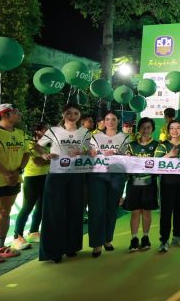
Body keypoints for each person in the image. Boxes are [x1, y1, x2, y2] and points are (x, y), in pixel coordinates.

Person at [37, 103, 91, 263]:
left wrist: (82, 152)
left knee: (75, 210)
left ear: (79, 115)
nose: (72, 116)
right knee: (54, 212)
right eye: (68, 113)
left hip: (77, 175)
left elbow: (90, 151)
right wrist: (45, 155)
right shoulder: (53, 130)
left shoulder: (85, 132)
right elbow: (38, 147)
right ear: (63, 114)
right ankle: (54, 251)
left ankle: (71, 247)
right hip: (56, 175)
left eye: (75, 113)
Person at [0, 104, 30, 264]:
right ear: (4, 115)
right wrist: (6, 174)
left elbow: (26, 153)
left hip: (13, 179)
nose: (19, 114)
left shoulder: (21, 134)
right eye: (15, 112)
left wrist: (18, 171)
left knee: (5, 212)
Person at [88, 110, 131, 257]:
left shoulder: (125, 137)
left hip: (117, 176)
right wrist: (93, 153)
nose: (110, 122)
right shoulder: (95, 137)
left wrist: (118, 155)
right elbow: (90, 154)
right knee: (97, 209)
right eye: (107, 119)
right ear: (103, 122)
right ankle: (96, 243)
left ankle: (107, 240)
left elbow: (128, 157)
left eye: (113, 119)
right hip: (98, 176)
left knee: (111, 208)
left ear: (118, 121)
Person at [154, 120, 180, 252]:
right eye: (172, 128)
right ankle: (164, 239)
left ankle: (177, 235)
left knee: (179, 209)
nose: (175, 131)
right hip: (167, 181)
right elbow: (155, 163)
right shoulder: (163, 145)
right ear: (168, 130)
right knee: (166, 211)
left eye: (178, 128)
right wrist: (169, 155)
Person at [11, 122, 50, 251]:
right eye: (45, 130)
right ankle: (17, 237)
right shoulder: (30, 144)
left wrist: (51, 160)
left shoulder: (44, 146)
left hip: (45, 177)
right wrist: (54, 160)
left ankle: (33, 232)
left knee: (41, 207)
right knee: (27, 208)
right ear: (37, 131)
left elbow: (46, 161)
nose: (48, 132)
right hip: (32, 179)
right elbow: (38, 162)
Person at [124, 117, 159, 252]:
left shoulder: (157, 145)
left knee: (146, 212)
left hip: (149, 183)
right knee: (135, 212)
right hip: (133, 183)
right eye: (143, 127)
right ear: (138, 129)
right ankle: (134, 239)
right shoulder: (131, 145)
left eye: (148, 127)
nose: (145, 130)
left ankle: (145, 237)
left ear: (152, 129)